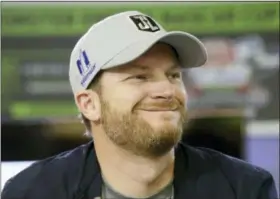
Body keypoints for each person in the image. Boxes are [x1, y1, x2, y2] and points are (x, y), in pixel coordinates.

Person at [2, 11, 277, 199]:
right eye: (139, 76)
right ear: (90, 104)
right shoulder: (33, 192)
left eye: (173, 75)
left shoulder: (245, 188)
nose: (166, 90)